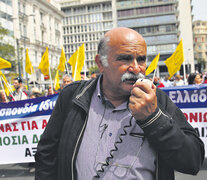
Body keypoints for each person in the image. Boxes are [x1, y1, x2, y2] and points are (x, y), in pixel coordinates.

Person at [35, 28, 204, 180]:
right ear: (101, 63)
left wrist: (153, 118)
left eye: (141, 59)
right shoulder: (73, 96)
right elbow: (46, 154)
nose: (136, 68)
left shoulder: (157, 100)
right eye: (125, 59)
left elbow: (192, 161)